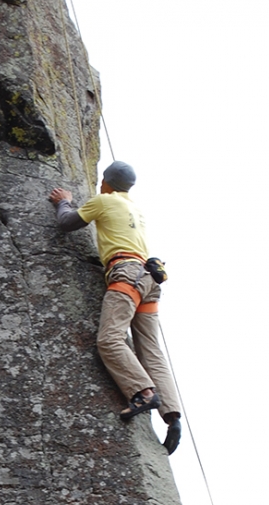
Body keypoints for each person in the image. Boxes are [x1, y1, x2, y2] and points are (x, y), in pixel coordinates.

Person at [49, 161, 182, 454]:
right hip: (149, 280)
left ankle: (143, 392)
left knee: (110, 339)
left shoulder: (104, 200)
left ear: (105, 182)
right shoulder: (136, 209)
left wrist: (64, 203)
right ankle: (172, 417)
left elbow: (67, 224)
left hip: (126, 275)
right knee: (151, 350)